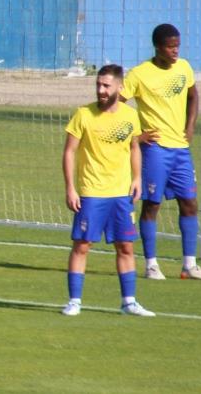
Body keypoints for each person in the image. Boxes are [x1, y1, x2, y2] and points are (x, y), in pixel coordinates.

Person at [122, 23, 201, 281]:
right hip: (155, 150)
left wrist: (189, 126)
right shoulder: (139, 74)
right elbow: (115, 108)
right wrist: (136, 137)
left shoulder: (184, 67)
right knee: (152, 204)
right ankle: (151, 265)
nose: (175, 50)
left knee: (189, 203)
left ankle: (189, 264)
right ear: (158, 47)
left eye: (177, 45)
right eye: (170, 46)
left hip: (181, 150)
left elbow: (193, 95)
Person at [61, 64, 154, 317]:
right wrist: (71, 188)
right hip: (91, 192)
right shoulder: (83, 115)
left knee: (125, 247)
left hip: (121, 194)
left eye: (106, 86)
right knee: (82, 246)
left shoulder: (130, 116)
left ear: (119, 87)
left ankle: (129, 302)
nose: (101, 90)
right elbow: (69, 151)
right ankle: (74, 301)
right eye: (98, 85)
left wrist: (137, 179)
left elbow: (134, 147)